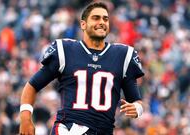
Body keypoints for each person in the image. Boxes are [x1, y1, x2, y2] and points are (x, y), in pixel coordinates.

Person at [19, 1, 144, 135]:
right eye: (96, 18)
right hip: (69, 129)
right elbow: (32, 86)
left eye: (105, 19)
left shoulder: (123, 55)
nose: (102, 22)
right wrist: (25, 118)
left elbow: (136, 100)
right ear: (83, 24)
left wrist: (137, 108)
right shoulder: (66, 50)